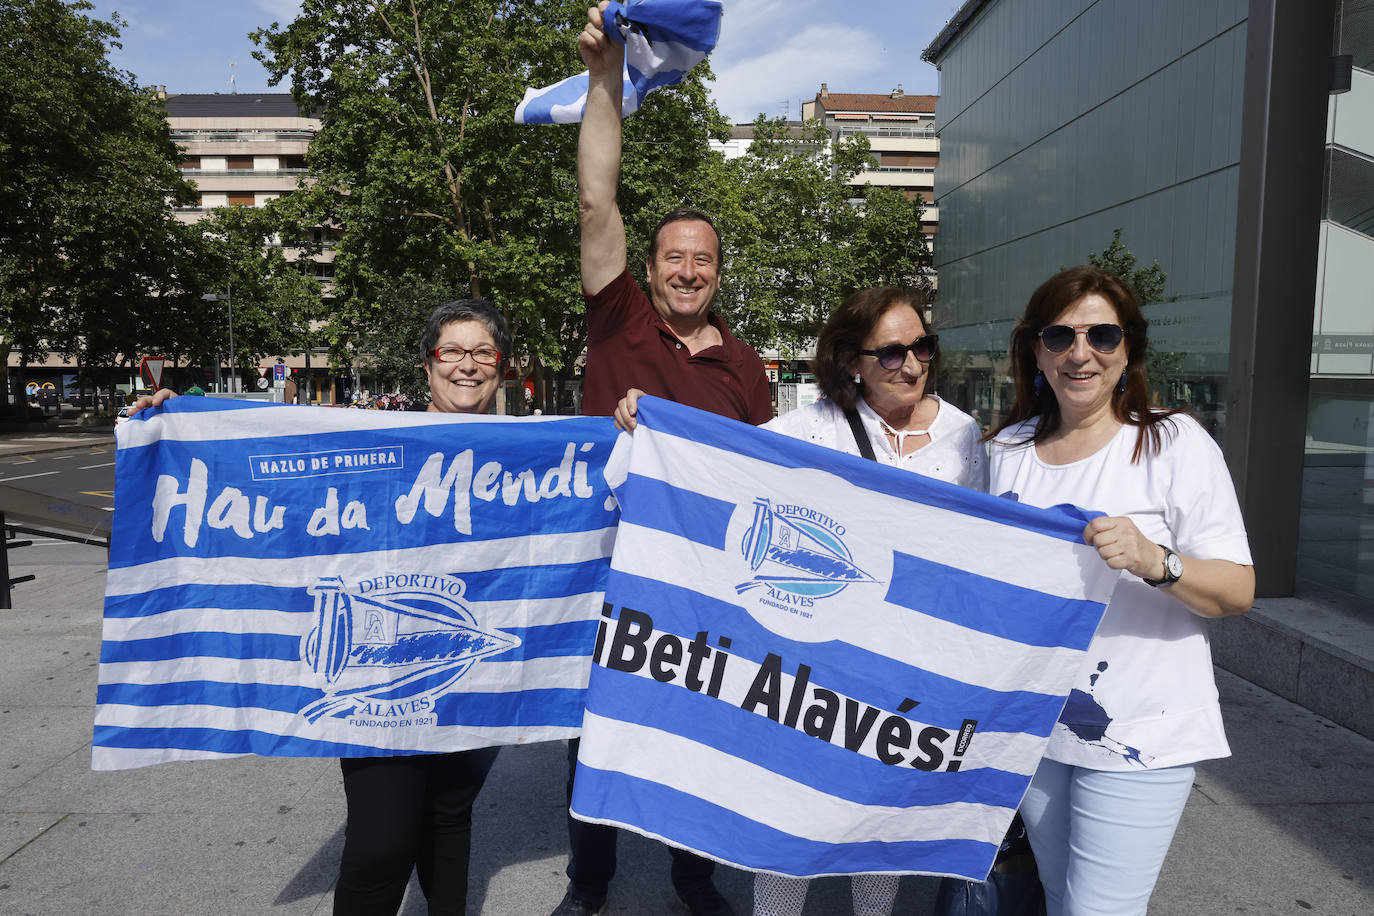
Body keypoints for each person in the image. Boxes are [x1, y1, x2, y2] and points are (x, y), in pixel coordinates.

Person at [132, 299, 513, 915]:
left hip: (474, 678)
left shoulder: (534, 447)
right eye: (452, 352)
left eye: (482, 353)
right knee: (381, 842)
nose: (467, 366)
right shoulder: (370, 445)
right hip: (373, 684)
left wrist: (636, 429)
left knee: (449, 818)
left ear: (502, 366)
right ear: (427, 365)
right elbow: (271, 474)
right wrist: (173, 422)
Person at [555, 5, 772, 916]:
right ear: (648, 267)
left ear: (719, 271)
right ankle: (588, 885)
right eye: (674, 258)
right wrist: (606, 78)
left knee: (701, 729)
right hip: (609, 573)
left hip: (702, 587)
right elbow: (596, 200)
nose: (688, 271)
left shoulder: (748, 371)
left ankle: (693, 875)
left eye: (703, 261)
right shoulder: (622, 321)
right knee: (596, 735)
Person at [987, 266, 1254, 915]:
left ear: (1128, 347)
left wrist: (1157, 560)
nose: (1081, 353)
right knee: (1055, 894)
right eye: (1060, 336)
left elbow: (1239, 590)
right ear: (1036, 349)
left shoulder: (1172, 443)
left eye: (1102, 335)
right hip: (1035, 727)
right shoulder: (1008, 448)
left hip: (1141, 731)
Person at [748, 286, 986, 916]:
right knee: (792, 812)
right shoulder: (810, 426)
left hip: (911, 663)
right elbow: (724, 461)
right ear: (852, 359)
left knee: (881, 814)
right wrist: (650, 422)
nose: (910, 365)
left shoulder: (964, 434)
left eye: (921, 348)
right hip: (819, 661)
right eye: (890, 353)